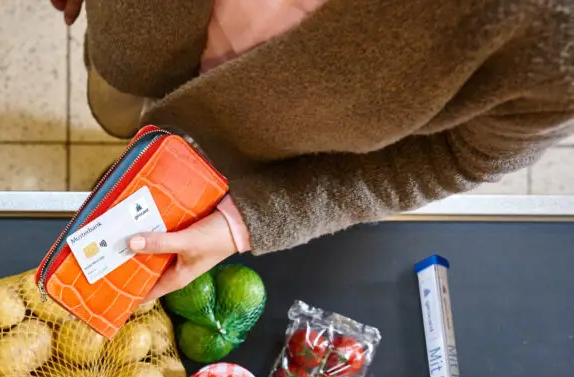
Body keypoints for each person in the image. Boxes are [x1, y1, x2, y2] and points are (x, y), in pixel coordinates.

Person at [51, 0, 574, 299]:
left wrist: (249, 221)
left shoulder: (558, 36)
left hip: (246, 149)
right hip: (132, 38)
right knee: (117, 100)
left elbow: (460, 157)